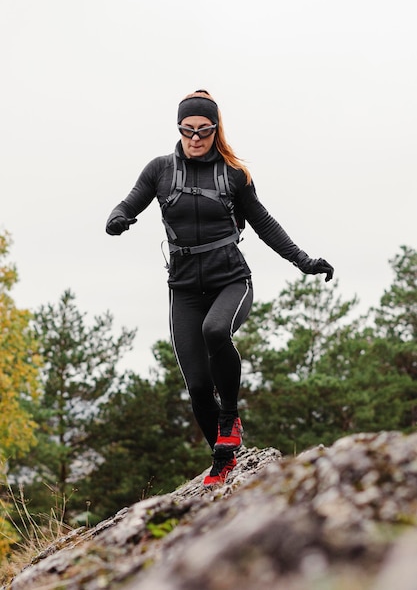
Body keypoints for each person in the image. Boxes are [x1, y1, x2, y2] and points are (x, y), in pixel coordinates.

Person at [106, 89, 334, 487]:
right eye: (187, 130)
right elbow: (128, 203)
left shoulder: (234, 175)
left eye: (204, 131)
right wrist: (118, 218)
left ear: (216, 129)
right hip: (184, 288)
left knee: (215, 331)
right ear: (178, 128)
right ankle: (224, 457)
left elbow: (265, 224)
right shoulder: (159, 170)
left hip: (231, 280)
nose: (194, 138)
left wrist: (304, 261)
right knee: (196, 386)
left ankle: (230, 416)